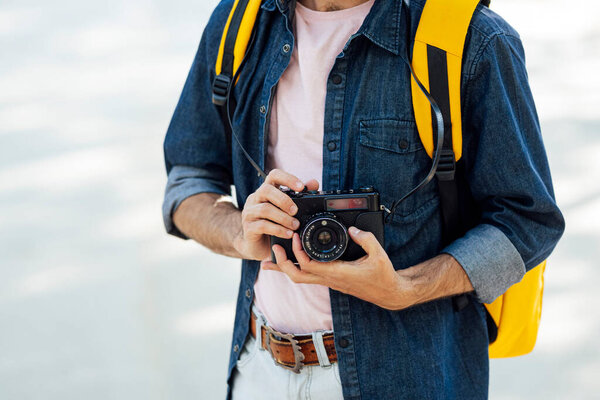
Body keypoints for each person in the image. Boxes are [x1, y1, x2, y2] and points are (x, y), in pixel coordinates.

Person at [162, 0, 565, 398]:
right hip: (258, 369)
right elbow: (188, 178)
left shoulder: (471, 39)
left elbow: (527, 220)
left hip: (407, 381)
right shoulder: (239, 21)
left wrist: (406, 288)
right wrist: (238, 233)